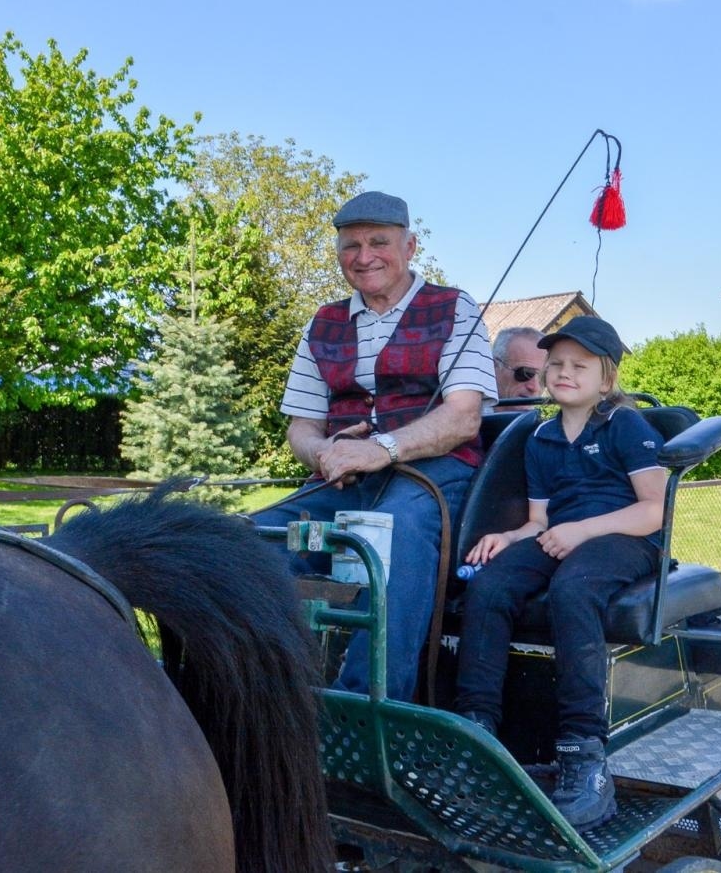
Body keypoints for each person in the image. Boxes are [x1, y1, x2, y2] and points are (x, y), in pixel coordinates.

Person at [257, 190, 496, 702]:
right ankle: (268, 696)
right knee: (253, 542)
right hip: (341, 482)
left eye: (378, 243)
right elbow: (301, 426)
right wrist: (322, 455)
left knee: (392, 537)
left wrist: (381, 449)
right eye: (351, 246)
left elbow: (463, 417)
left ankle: (369, 709)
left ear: (410, 247)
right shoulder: (323, 322)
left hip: (431, 478)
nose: (364, 257)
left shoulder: (453, 307)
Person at [452, 316, 666, 831]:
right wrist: (509, 539)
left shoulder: (625, 426)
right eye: (556, 364)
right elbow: (540, 522)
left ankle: (583, 752)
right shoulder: (542, 437)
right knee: (490, 584)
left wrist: (583, 532)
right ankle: (475, 731)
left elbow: (655, 510)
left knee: (574, 590)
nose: (564, 373)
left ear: (606, 380)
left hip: (626, 540)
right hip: (560, 537)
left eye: (579, 366)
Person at [491, 326, 545, 406]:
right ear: (494, 367)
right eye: (525, 373)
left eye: (544, 378)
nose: (535, 387)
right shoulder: (469, 414)